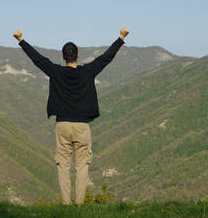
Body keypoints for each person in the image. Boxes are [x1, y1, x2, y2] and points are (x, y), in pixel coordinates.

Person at [13, 27, 130, 205]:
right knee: (82, 166)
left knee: (63, 166)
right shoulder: (88, 71)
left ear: (63, 57)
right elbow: (106, 58)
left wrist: (21, 40)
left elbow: (37, 59)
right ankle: (79, 204)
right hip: (82, 127)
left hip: (62, 126)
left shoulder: (55, 72)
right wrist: (121, 38)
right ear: (78, 55)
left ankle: (66, 205)